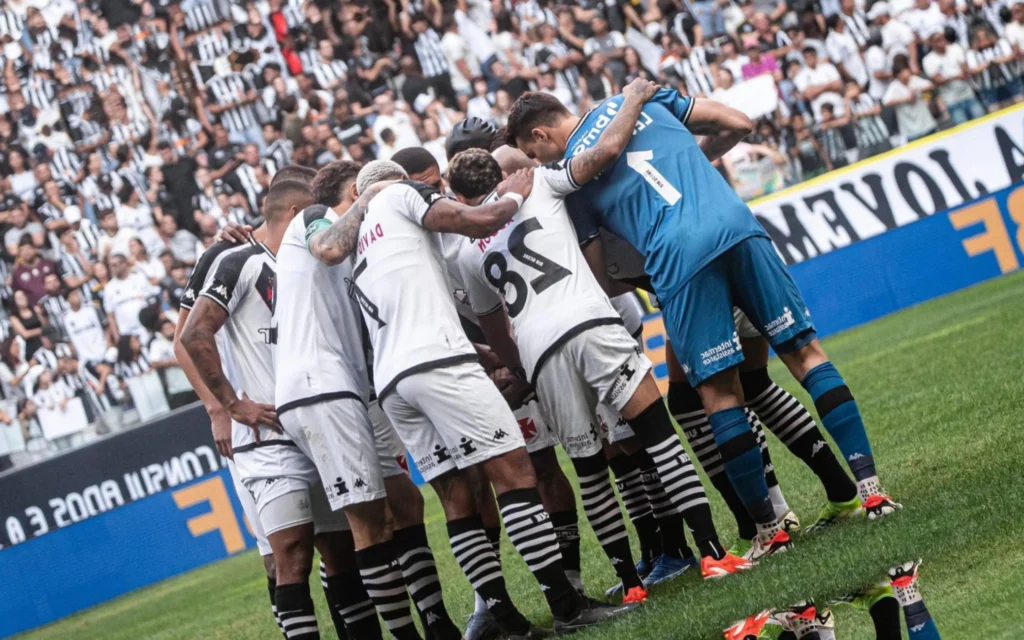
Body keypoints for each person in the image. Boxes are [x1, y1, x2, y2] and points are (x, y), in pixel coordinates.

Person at [506, 86, 901, 561]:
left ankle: (770, 530)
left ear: (540, 134)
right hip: (736, 225)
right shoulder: (650, 98)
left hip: (678, 261)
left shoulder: (571, 177)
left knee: (718, 395)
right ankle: (871, 491)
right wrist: (692, 164)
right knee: (804, 354)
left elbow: (598, 276)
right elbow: (738, 123)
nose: (538, 161)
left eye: (534, 153)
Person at [307, 159, 637, 635]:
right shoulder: (401, 196)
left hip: (395, 382)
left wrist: (488, 355)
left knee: (456, 498)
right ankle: (566, 606)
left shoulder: (358, 238)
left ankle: (502, 616)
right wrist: (517, 194)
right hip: (439, 361)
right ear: (401, 182)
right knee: (515, 473)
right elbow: (480, 220)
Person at [449, 133, 752, 589]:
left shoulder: (468, 251)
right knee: (659, 438)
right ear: (503, 174)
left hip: (540, 351)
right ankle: (712, 553)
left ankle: (630, 585)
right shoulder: (544, 182)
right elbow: (603, 155)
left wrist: (522, 370)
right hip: (592, 323)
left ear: (460, 197)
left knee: (591, 471)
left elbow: (494, 332)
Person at [182, 178, 421, 640]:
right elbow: (191, 335)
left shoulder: (306, 264)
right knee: (289, 553)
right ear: (294, 213)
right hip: (266, 432)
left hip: (315, 415)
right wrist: (228, 405)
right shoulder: (235, 259)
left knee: (342, 548)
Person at [277, 162, 464, 640]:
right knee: (369, 522)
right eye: (359, 196)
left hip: (355, 391)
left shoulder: (363, 247)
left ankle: (438, 624)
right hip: (321, 386)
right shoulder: (314, 218)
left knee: (404, 502)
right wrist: (371, 195)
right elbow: (328, 246)